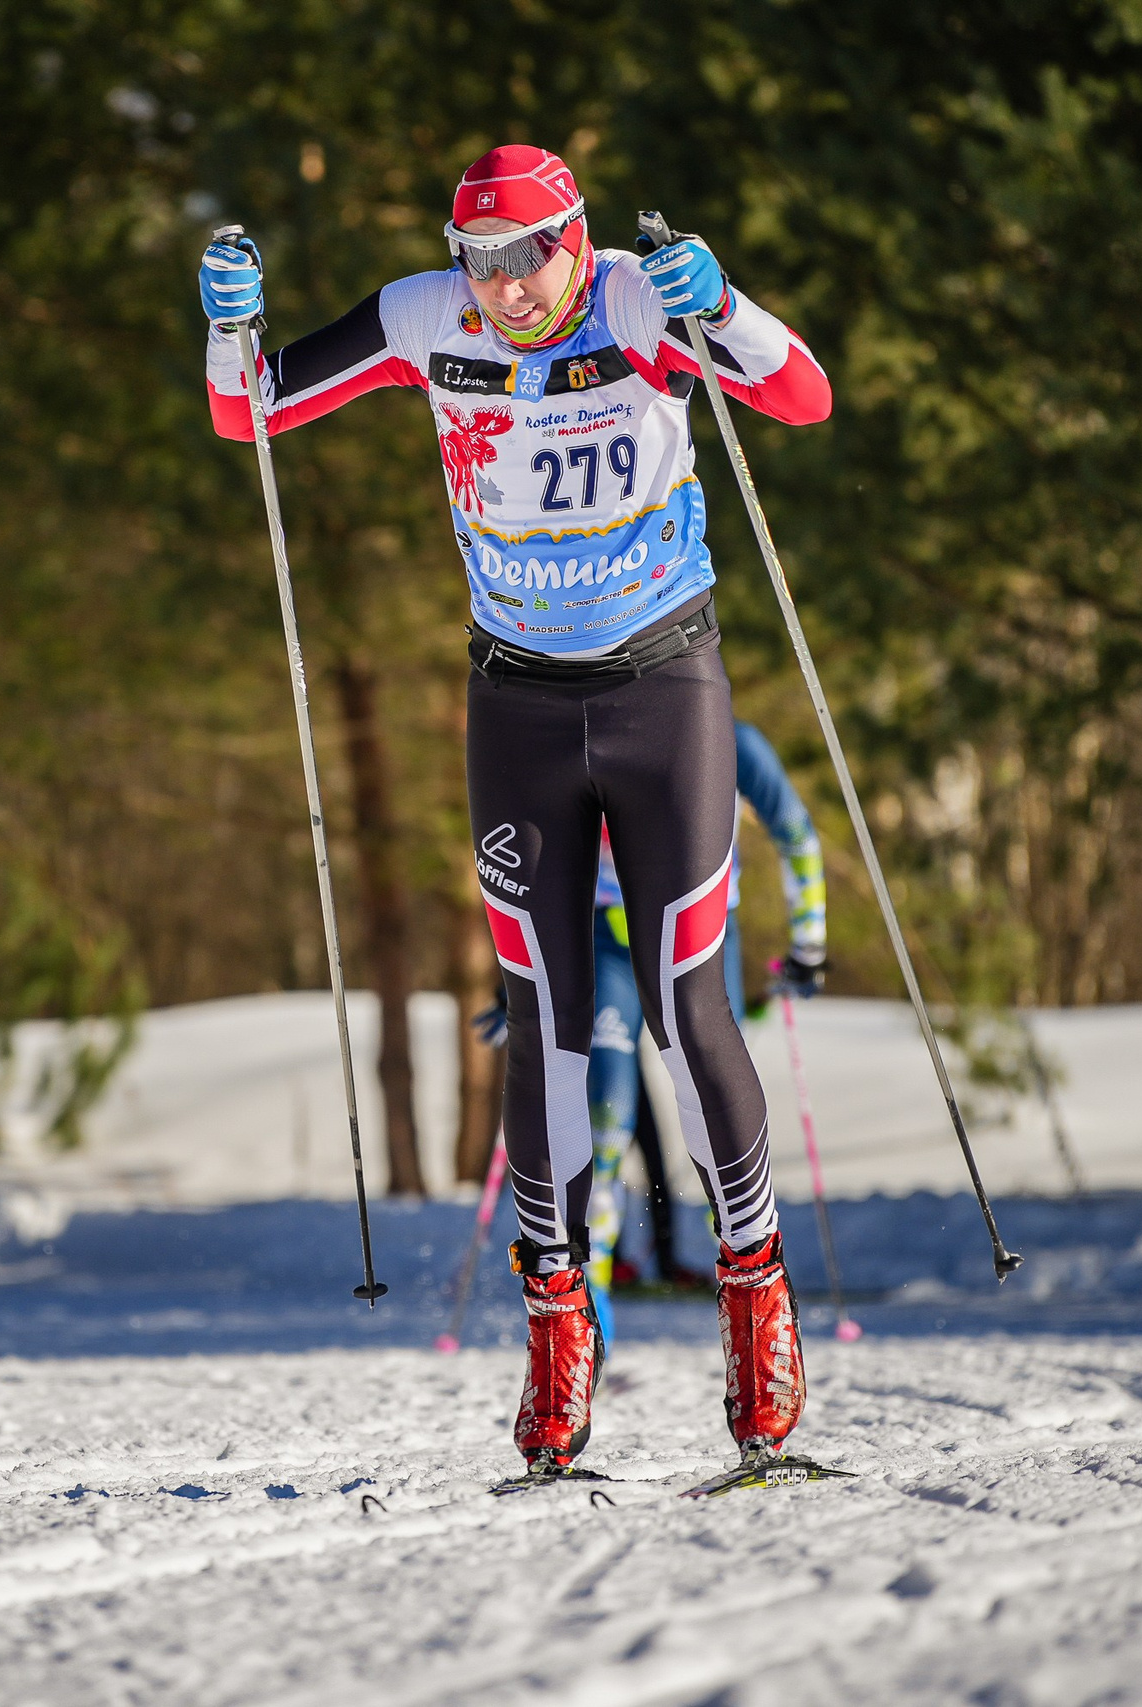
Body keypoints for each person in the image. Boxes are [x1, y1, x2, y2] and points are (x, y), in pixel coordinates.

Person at [201, 144, 833, 1477]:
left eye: (526, 257)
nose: (502, 286)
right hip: (521, 705)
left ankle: (757, 1297)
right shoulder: (429, 321)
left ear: (576, 237)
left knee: (683, 996)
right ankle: (556, 1317)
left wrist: (723, 306)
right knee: (541, 1010)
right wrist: (228, 330)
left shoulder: (640, 304)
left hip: (667, 687)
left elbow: (802, 396)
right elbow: (249, 415)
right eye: (476, 259)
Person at [586, 718, 828, 1342]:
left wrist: (810, 943)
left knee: (716, 1111)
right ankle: (590, 1310)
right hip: (606, 937)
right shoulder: (591, 730)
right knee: (607, 1113)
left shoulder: (731, 738)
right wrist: (525, 979)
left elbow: (794, 830)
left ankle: (752, 1290)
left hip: (700, 935)